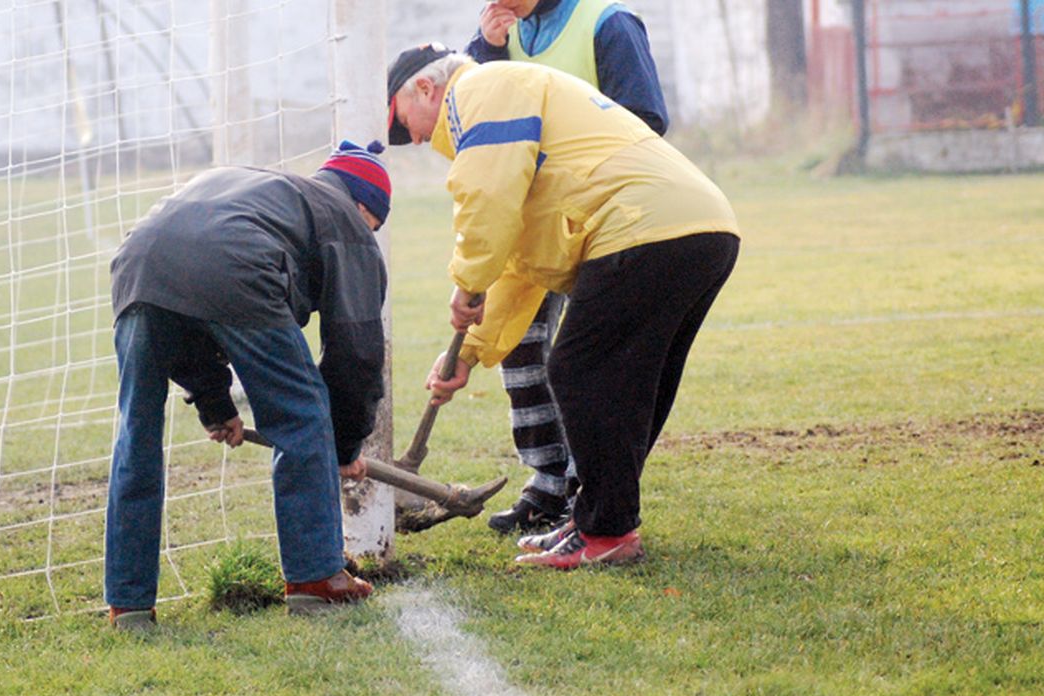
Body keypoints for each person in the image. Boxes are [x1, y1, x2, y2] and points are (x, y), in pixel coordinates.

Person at [386, 45, 739, 569]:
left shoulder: (481, 91)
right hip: (700, 227)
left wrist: (467, 282)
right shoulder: (506, 105)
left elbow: (487, 200)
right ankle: (595, 518)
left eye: (402, 123)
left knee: (579, 371)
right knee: (632, 384)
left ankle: (607, 532)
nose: (413, 139)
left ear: (425, 88)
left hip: (642, 225)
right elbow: (518, 266)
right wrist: (469, 351)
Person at [105, 141, 390, 627]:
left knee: (137, 433)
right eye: (375, 227)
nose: (372, 236)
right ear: (365, 208)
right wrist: (341, 448)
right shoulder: (347, 220)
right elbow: (356, 353)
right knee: (301, 414)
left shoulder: (270, 190)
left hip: (137, 264)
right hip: (236, 261)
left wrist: (215, 404)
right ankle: (315, 578)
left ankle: (128, 602)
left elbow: (187, 301)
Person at [463, 0, 670, 534]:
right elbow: (473, 117)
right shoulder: (498, 34)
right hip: (535, 222)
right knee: (518, 347)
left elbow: (647, 120)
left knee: (586, 363)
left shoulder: (608, 23)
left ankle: (587, 489)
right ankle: (548, 484)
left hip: (605, 221)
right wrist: (486, 52)